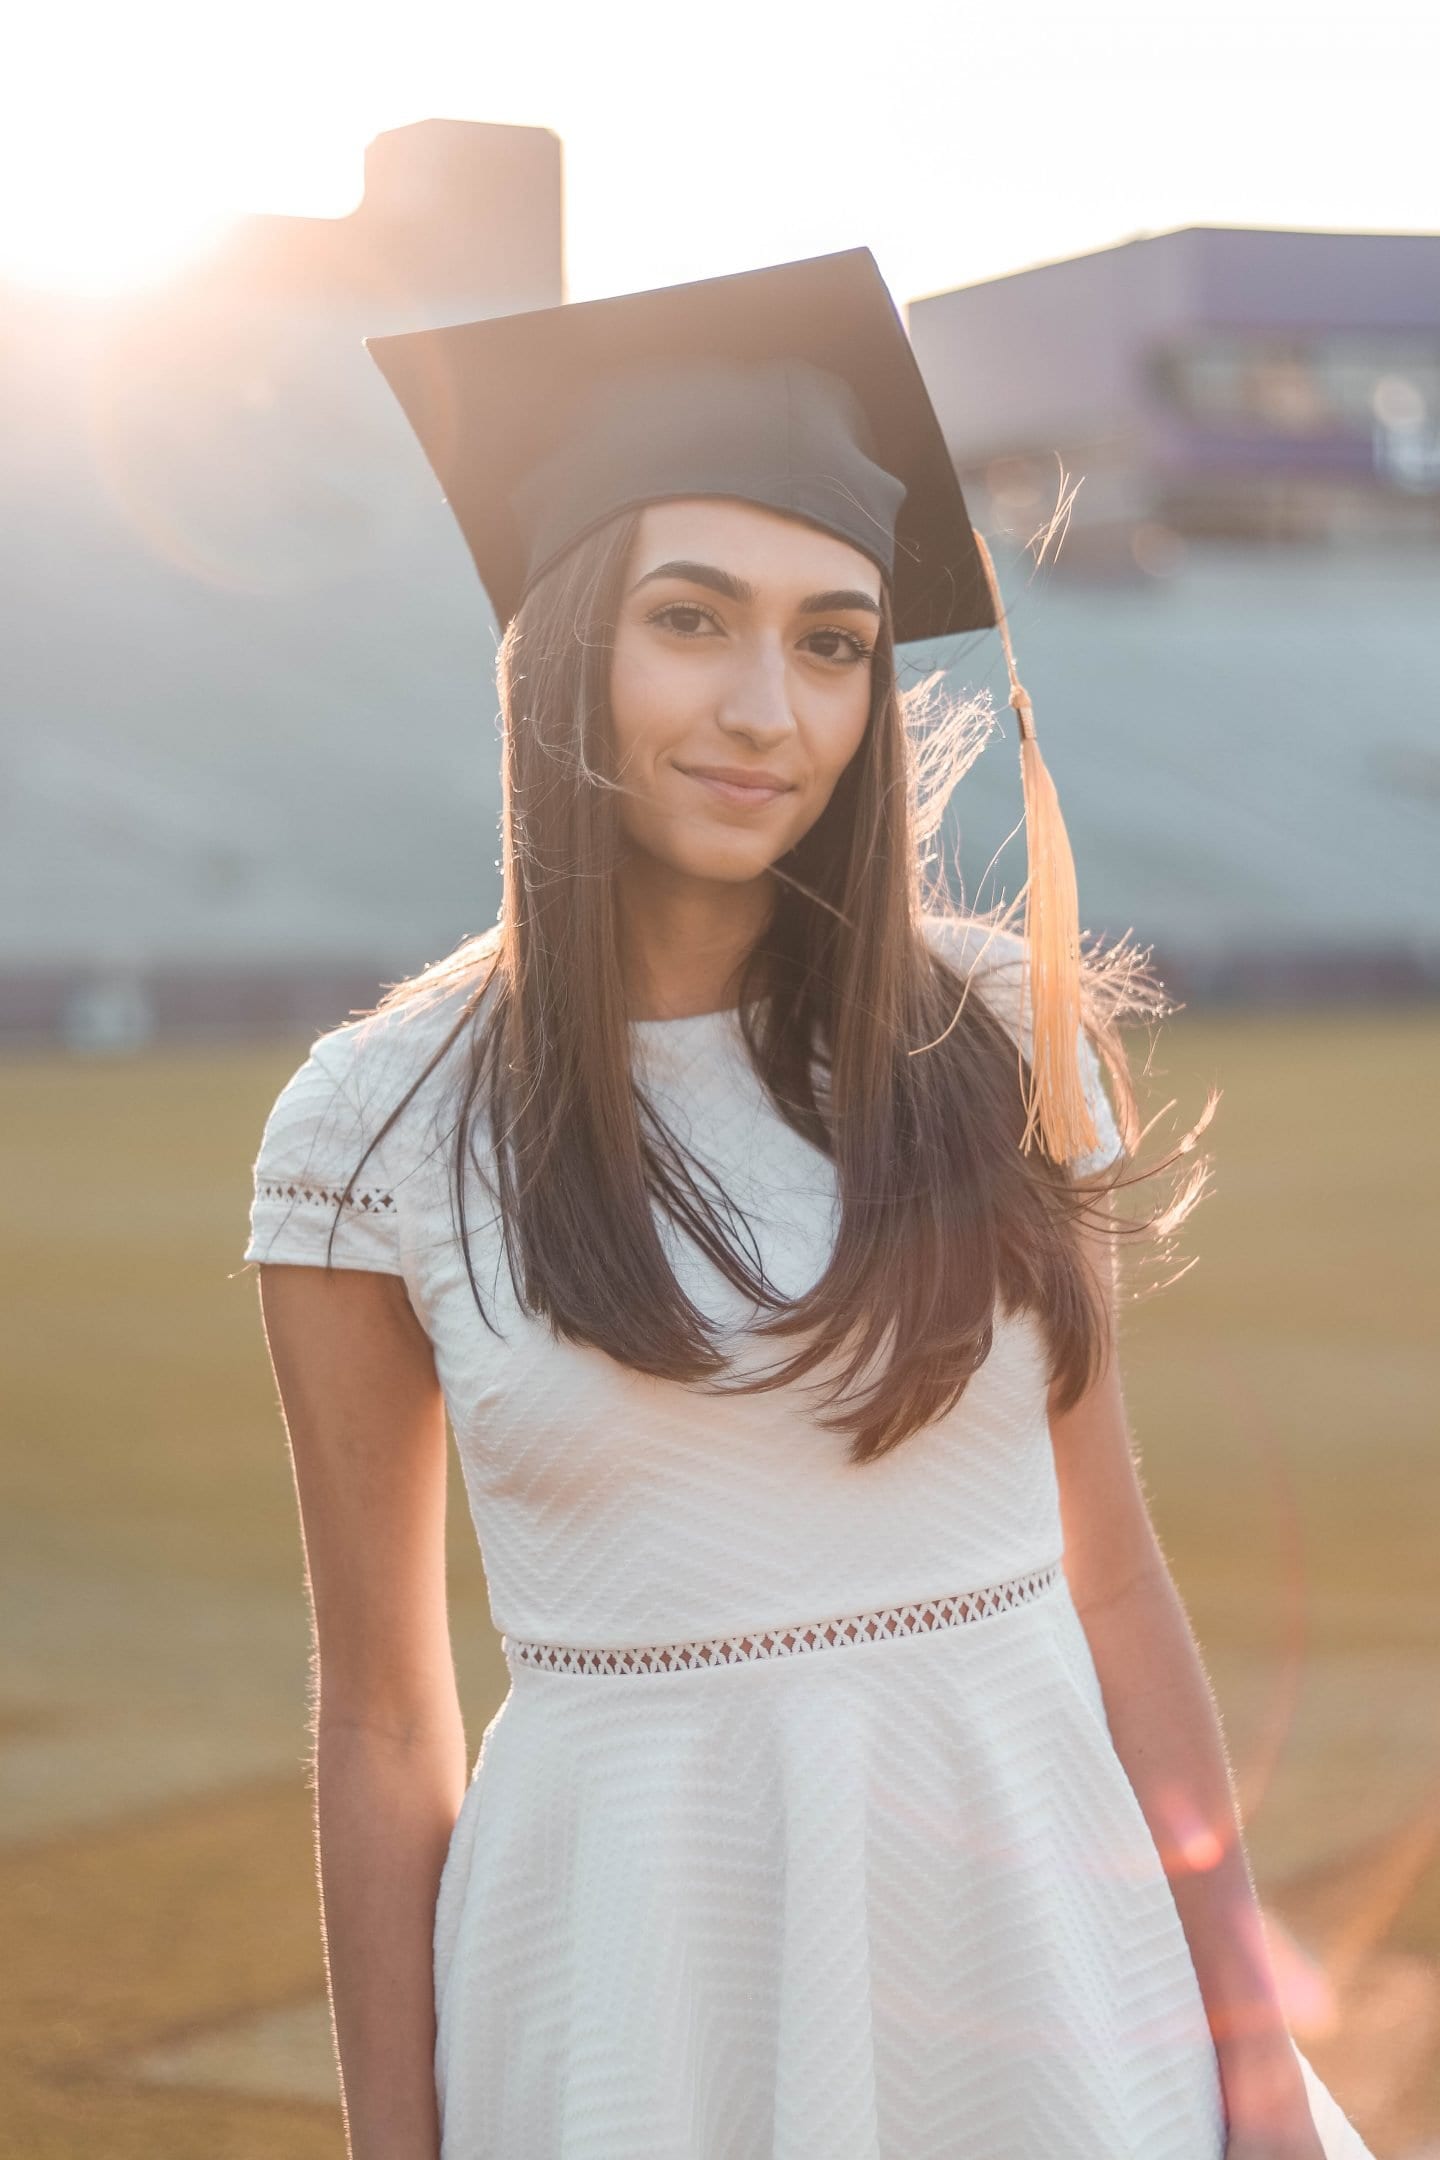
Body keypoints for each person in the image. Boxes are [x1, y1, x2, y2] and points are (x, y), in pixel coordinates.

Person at [243, 249, 1375, 2160]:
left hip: (1038, 1977)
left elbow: (1112, 1576)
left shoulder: (1003, 1035)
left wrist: (1253, 2058)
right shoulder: (373, 1124)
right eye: (692, 619)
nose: (767, 706)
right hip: (625, 2000)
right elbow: (382, 1720)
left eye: (834, 638)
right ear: (565, 643)